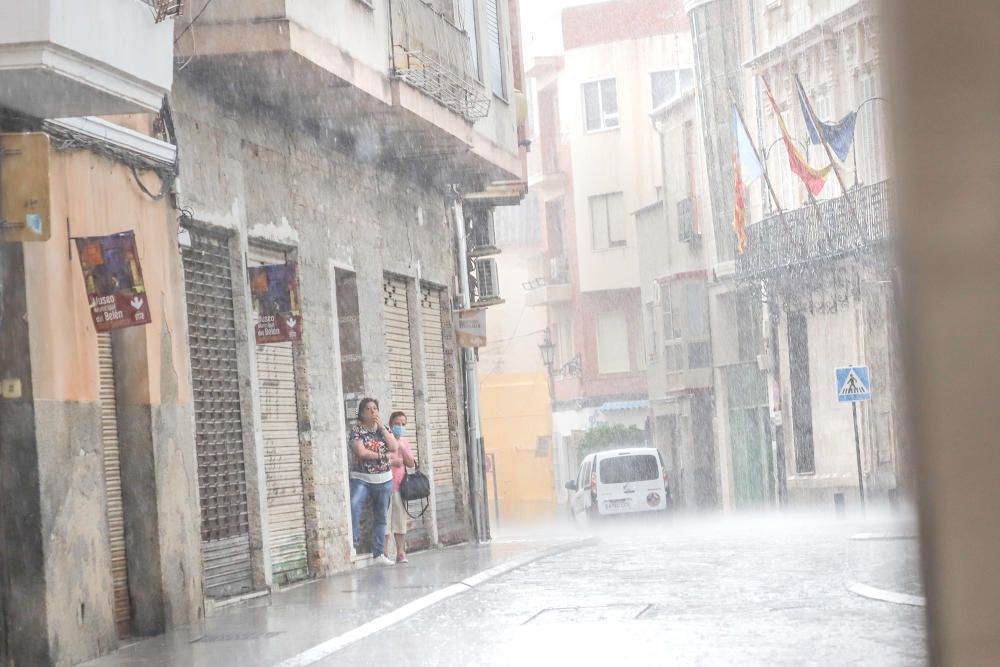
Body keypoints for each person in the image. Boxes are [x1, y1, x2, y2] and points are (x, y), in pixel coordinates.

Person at [348, 397, 399, 565]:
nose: (373, 412)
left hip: (384, 479)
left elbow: (394, 447)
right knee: (354, 505)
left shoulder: (383, 429)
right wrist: (383, 456)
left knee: (381, 516)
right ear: (362, 413)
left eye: (375, 408)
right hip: (362, 479)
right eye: (368, 409)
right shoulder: (357, 431)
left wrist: (383, 428)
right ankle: (353, 544)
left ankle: (379, 554)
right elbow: (361, 453)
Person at [384, 411, 417, 563]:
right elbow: (378, 460)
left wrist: (402, 449)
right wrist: (392, 462)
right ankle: (384, 553)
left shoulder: (404, 443)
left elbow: (411, 463)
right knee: (384, 521)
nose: (400, 427)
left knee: (400, 521)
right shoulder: (384, 441)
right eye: (397, 424)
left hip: (400, 487)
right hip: (384, 486)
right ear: (390, 424)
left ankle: (400, 552)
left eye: (403, 424)